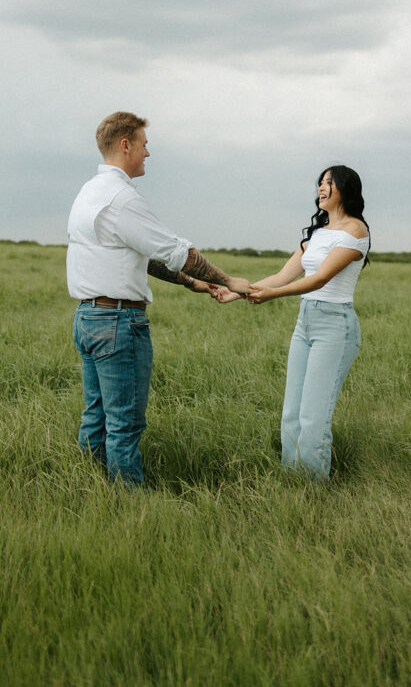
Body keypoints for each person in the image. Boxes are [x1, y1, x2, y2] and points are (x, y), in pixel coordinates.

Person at [66, 111, 253, 487]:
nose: (147, 153)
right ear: (125, 145)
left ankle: (88, 491)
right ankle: (130, 508)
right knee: (124, 424)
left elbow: (144, 256)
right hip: (118, 324)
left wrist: (191, 284)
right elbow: (175, 251)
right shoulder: (122, 199)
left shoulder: (89, 192)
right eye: (144, 144)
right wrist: (229, 280)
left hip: (87, 318)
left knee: (96, 416)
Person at [215, 165, 370, 480]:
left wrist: (273, 295)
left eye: (329, 183)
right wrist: (236, 292)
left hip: (334, 326)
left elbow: (320, 278)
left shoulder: (356, 231)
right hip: (306, 323)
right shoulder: (316, 234)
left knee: (314, 417)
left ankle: (313, 488)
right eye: (320, 183)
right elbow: (282, 275)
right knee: (292, 414)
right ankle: (292, 480)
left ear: (345, 188)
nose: (321, 189)